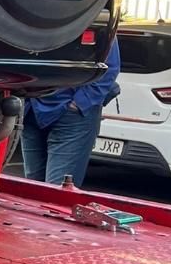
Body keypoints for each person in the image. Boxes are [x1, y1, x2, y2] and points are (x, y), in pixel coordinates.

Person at [21, 38, 121, 188]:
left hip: (71, 116)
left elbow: (108, 67)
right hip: (31, 110)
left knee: (57, 192)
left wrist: (80, 102)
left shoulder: (89, 16)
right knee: (32, 189)